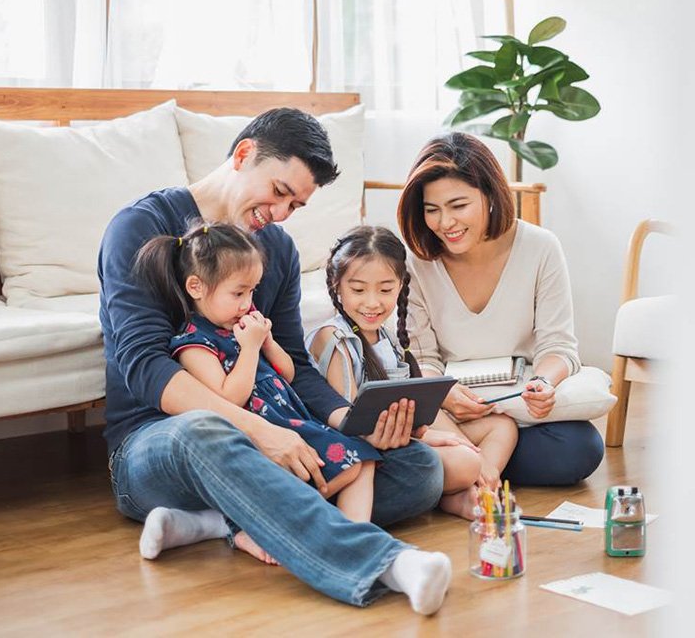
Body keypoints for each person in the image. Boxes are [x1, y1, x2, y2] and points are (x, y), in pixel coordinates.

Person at [99, 107, 451, 614]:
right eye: (280, 192)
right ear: (244, 155)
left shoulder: (277, 250)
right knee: (204, 431)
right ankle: (389, 564)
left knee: (417, 468)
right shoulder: (139, 227)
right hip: (158, 446)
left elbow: (298, 367)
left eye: (297, 204)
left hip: (266, 428)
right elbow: (144, 365)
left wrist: (351, 423)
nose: (282, 213)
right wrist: (259, 432)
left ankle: (220, 521)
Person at [134, 220, 380, 544]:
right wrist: (249, 347)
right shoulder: (194, 344)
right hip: (255, 437)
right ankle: (261, 526)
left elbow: (288, 374)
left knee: (363, 461)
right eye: (238, 292)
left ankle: (355, 538)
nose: (247, 303)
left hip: (292, 422)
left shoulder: (245, 327)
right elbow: (230, 398)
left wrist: (266, 342)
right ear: (196, 287)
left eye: (251, 291)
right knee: (347, 467)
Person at [396, 132, 606, 486]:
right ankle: (477, 462)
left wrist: (543, 382)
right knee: (411, 424)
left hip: (517, 402)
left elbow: (558, 347)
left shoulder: (541, 247)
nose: (445, 223)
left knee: (579, 448)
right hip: (453, 409)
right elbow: (421, 359)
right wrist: (445, 394)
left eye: (458, 205)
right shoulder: (416, 263)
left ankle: (464, 467)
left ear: (490, 195)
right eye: (432, 210)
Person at [307, 225, 517, 518]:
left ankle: (479, 487)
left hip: (405, 435)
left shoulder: (388, 338)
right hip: (367, 448)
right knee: (463, 461)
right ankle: (463, 488)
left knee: (502, 426)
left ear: (400, 286)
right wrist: (429, 439)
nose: (372, 302)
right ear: (336, 285)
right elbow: (352, 425)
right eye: (358, 290)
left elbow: (414, 406)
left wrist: (435, 435)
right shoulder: (333, 338)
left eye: (385, 289)